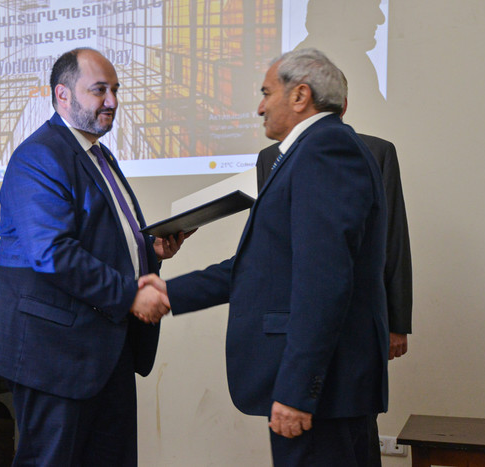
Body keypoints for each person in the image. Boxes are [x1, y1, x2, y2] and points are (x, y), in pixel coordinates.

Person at [139, 48, 389, 466]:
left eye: (266, 92)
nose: (259, 107)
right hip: (326, 392)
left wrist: (297, 392)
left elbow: (324, 283)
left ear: (300, 96)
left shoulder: (324, 151)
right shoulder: (313, 151)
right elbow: (262, 268)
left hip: (322, 395)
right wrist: (170, 293)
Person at [0, 47, 188, 466]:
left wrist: (149, 251)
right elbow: (53, 252)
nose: (112, 101)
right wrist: (131, 294)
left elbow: (101, 237)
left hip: (105, 346)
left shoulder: (98, 154)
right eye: (99, 90)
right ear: (62, 94)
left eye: (115, 90)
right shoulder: (40, 155)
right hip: (55, 354)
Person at [256, 129, 412, 467]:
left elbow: (393, 238)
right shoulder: (270, 158)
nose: (262, 107)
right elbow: (272, 248)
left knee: (357, 440)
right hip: (294, 331)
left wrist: (397, 323)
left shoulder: (376, 151)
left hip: (357, 334)